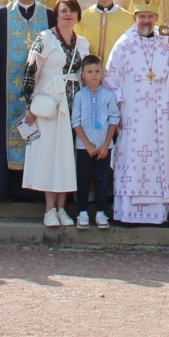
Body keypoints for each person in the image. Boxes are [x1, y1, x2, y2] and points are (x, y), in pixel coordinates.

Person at [104, 0, 169, 227]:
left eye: (150, 16)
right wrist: (117, 112)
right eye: (141, 16)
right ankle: (126, 214)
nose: (146, 20)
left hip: (160, 116)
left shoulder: (166, 43)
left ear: (156, 18)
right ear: (134, 17)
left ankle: (158, 214)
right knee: (131, 159)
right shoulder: (122, 45)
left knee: (159, 161)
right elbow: (110, 80)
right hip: (131, 115)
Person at [0, 0, 51, 199]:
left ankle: (34, 192)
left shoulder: (49, 16)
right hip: (6, 91)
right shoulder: (2, 15)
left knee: (39, 138)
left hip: (40, 92)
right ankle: (4, 189)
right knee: (5, 138)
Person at [19, 0, 84, 225]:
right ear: (56, 14)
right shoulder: (45, 38)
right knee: (49, 155)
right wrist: (29, 105)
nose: (68, 15)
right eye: (63, 11)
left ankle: (62, 208)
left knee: (66, 157)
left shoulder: (83, 43)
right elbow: (31, 70)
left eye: (72, 11)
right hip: (49, 105)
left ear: (78, 16)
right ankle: (49, 209)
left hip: (74, 104)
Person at [70, 55, 119, 228]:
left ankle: (101, 213)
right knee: (82, 180)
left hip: (104, 147)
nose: (93, 75)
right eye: (89, 71)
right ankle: (82, 212)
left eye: (97, 71)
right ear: (82, 74)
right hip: (84, 147)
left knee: (102, 180)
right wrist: (88, 144)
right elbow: (75, 121)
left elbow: (114, 119)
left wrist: (106, 144)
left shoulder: (108, 96)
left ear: (102, 73)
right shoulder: (79, 96)